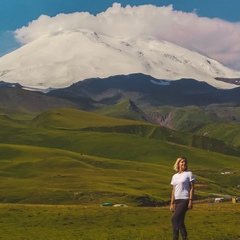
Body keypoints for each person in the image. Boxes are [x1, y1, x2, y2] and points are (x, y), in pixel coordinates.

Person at [170, 157, 195, 240]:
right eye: (182, 162)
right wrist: (172, 203)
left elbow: (192, 187)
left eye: (185, 162)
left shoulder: (189, 174)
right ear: (178, 163)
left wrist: (190, 200)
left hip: (185, 199)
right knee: (180, 222)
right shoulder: (174, 176)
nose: (183, 164)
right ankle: (185, 238)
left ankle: (175, 238)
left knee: (174, 219)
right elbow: (173, 190)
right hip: (177, 200)